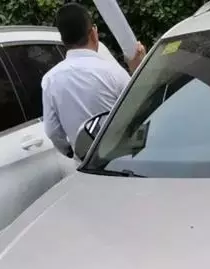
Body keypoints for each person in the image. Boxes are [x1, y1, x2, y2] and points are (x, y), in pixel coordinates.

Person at [41, 2, 146, 158]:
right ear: (92, 34)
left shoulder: (50, 80)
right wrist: (139, 69)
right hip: (120, 160)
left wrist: (71, 152)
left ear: (63, 40)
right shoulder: (113, 72)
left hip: (85, 165)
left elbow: (52, 131)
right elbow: (141, 111)